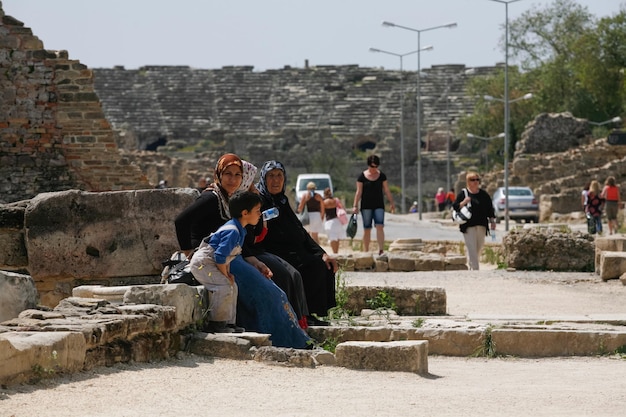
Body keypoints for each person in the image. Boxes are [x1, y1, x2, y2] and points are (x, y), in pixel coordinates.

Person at [174, 153, 311, 348]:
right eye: (228, 174)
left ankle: (289, 340)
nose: (233, 179)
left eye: (238, 175)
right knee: (267, 294)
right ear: (219, 175)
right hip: (215, 259)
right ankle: (281, 342)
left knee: (274, 290)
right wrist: (189, 252)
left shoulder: (230, 199)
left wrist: (254, 261)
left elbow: (238, 238)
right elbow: (181, 221)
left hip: (232, 256)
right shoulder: (211, 198)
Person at [254, 160, 337, 326]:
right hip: (271, 252)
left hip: (293, 251)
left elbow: (300, 231)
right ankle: (299, 315)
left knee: (320, 265)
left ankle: (310, 313)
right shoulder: (259, 201)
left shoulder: (282, 201)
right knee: (295, 273)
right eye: (271, 176)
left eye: (279, 175)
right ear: (264, 178)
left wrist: (322, 253)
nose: (276, 180)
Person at [189, 190, 262, 333]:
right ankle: (217, 324)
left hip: (212, 263)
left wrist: (228, 273)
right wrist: (225, 275)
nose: (260, 214)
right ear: (245, 213)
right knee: (224, 286)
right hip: (203, 264)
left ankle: (229, 324)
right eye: (258, 211)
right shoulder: (233, 231)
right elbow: (220, 257)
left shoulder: (240, 231)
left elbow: (228, 256)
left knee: (232, 286)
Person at [352, 154, 395, 255]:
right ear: (368, 165)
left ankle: (381, 249)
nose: (374, 169)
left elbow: (387, 190)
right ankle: (366, 250)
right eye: (372, 166)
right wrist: (355, 205)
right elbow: (358, 192)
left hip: (379, 205)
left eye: (376, 166)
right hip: (366, 206)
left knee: (380, 226)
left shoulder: (382, 176)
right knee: (367, 228)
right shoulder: (361, 177)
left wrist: (391, 202)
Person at [452, 171, 496, 270]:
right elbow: (455, 206)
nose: (475, 182)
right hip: (468, 226)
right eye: (473, 180)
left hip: (481, 225)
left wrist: (492, 221)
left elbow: (490, 209)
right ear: (468, 182)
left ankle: (472, 264)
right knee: (471, 247)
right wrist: (464, 202)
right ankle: (475, 269)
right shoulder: (464, 193)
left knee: (478, 247)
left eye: (477, 179)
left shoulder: (484, 194)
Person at [322, 187, 346, 254]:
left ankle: (334, 253)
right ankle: (336, 252)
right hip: (337, 221)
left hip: (329, 222)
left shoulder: (324, 202)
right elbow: (342, 207)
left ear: (325, 194)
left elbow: (323, 213)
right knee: (337, 238)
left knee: (332, 238)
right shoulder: (335, 200)